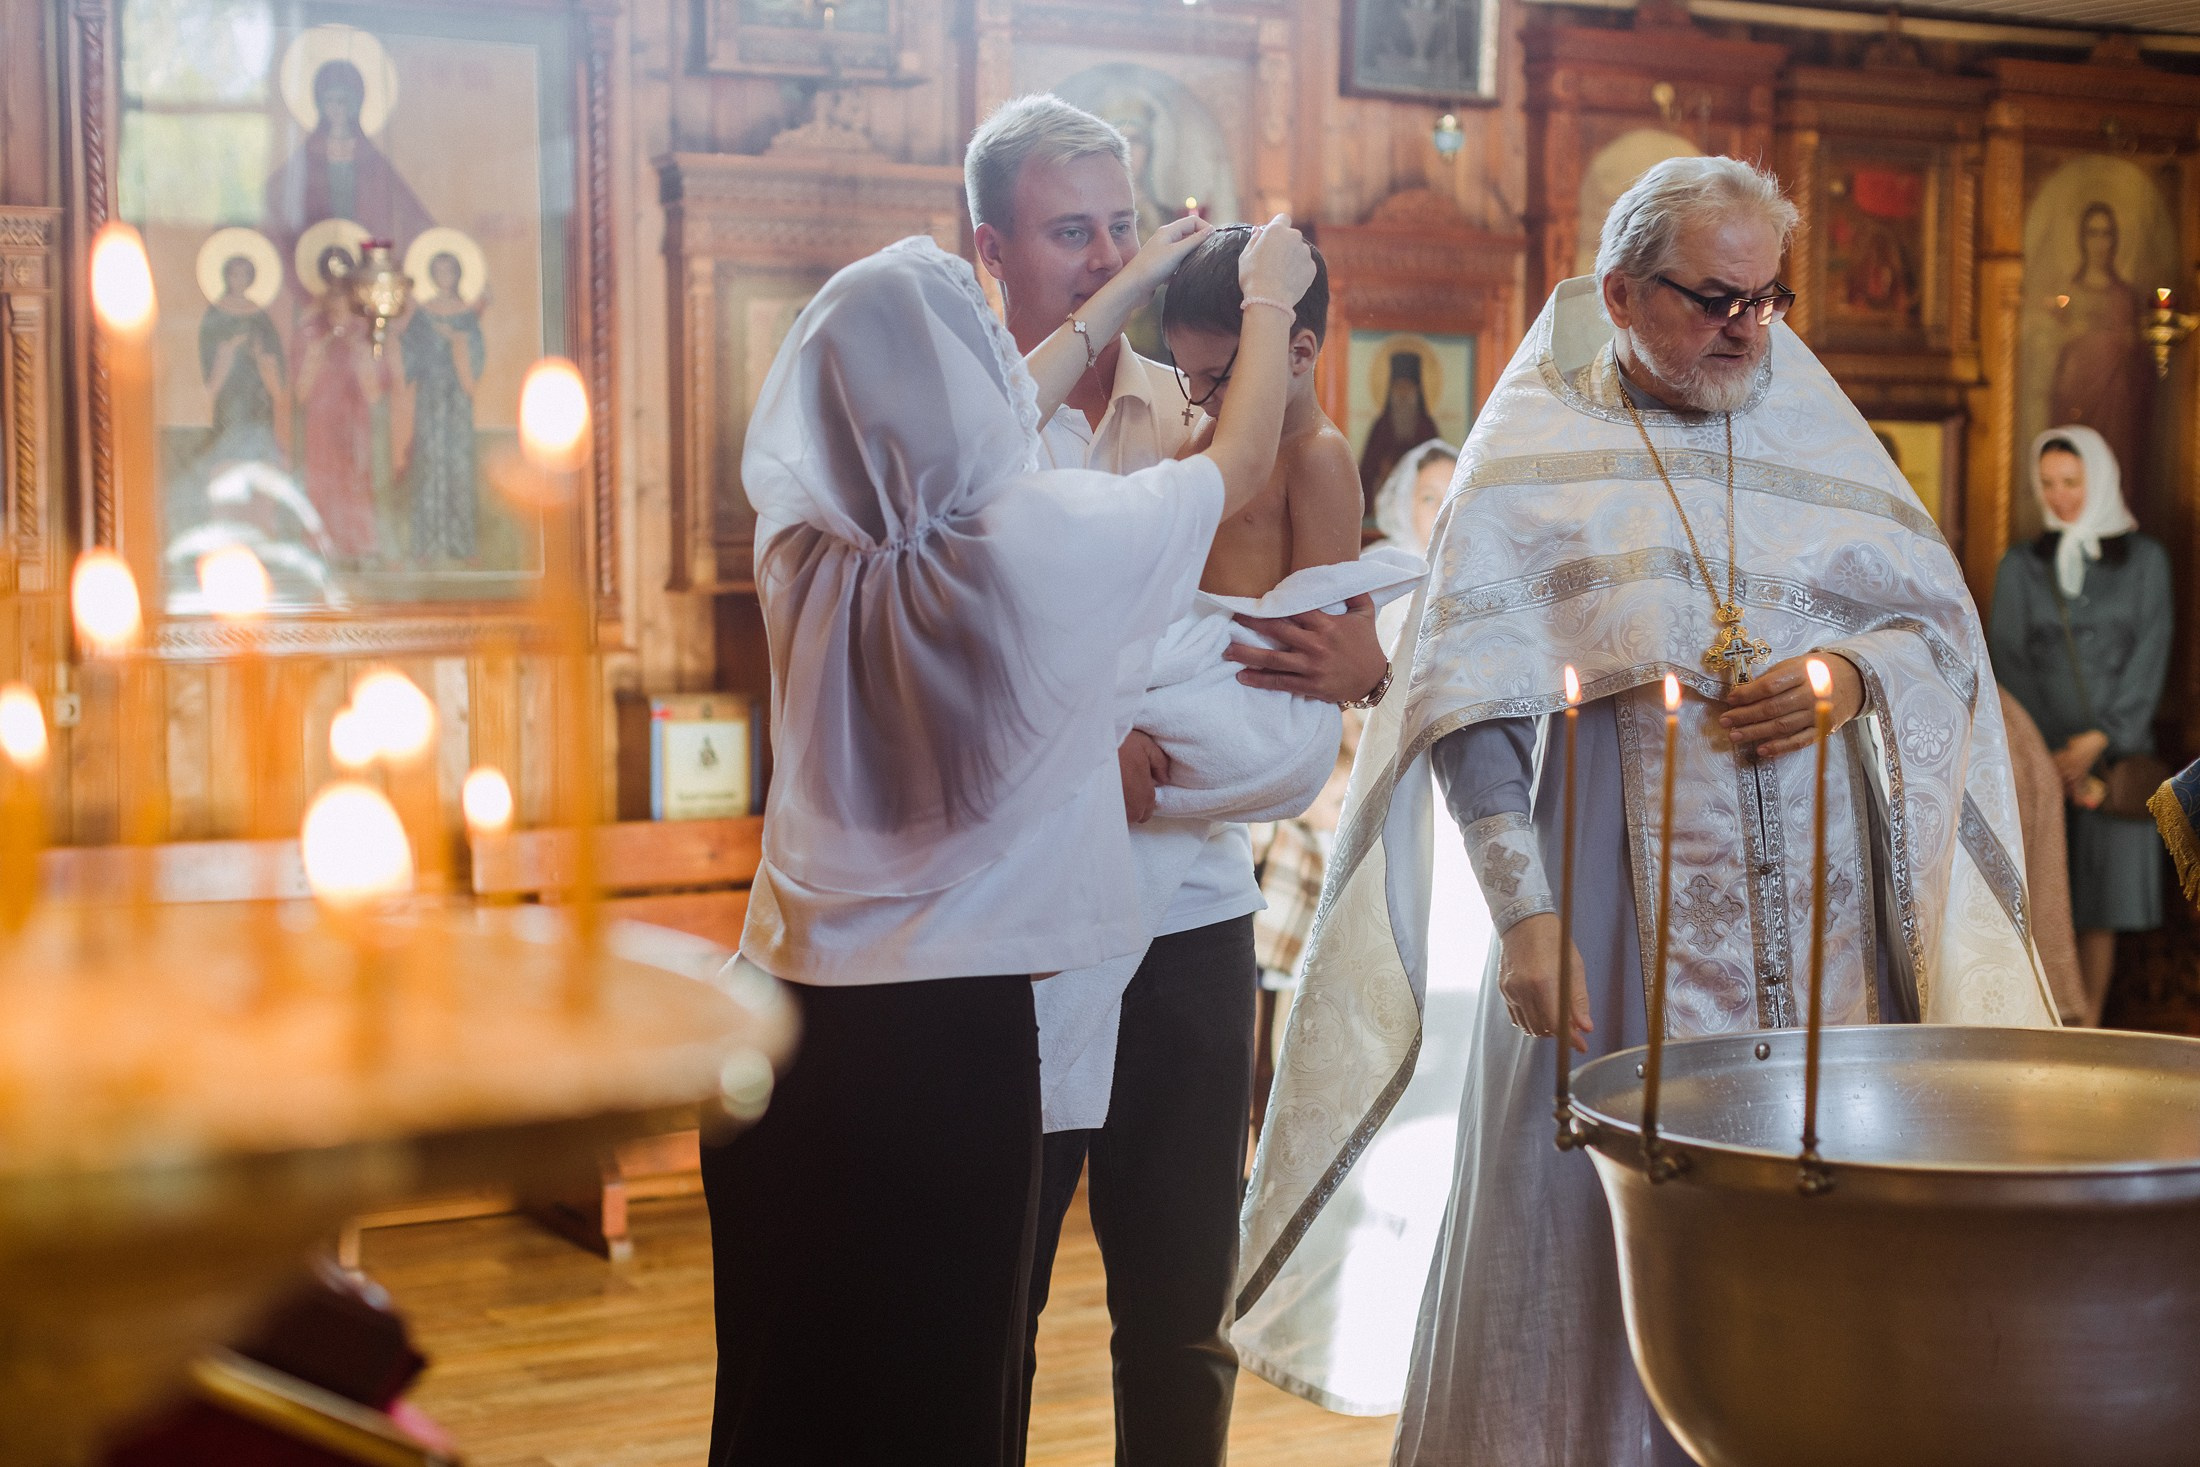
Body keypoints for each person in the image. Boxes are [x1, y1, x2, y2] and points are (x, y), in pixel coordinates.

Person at [1239, 155, 2056, 1466]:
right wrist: (1526, 914)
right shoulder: (1533, 445)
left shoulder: (1809, 421)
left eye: (1767, 298)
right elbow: (1466, 705)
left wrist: (1847, 677)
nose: (1747, 327)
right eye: (1713, 298)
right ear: (1620, 291)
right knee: (1586, 1224)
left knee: (1812, 1229)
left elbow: (1941, 639)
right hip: (1610, 921)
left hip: (1824, 964)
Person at [704, 208, 1317, 1466]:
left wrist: (1130, 281)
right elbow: (1241, 461)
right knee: (943, 1384)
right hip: (942, 1029)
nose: (1000, 366)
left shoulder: (799, 533)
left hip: (776, 1019)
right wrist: (1268, 295)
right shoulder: (1020, 546)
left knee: (785, 1381)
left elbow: (942, 431)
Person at [962, 95, 1393, 1467]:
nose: (1100, 258)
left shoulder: (1199, 407)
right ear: (994, 246)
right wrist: (1090, 749)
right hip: (1017, 928)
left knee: (1180, 1307)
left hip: (1194, 922)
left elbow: (1317, 605)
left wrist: (1362, 658)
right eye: (1065, 229)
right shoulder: (971, 419)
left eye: (1118, 227)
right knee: (992, 1298)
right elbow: (941, 655)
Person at [1232, 433, 1495, 1420]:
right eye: (1426, 498)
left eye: (1450, 495)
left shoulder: (1468, 587)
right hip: (1342, 825)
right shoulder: (1384, 587)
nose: (1438, 512)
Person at [1989, 426, 2171, 1024]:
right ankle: (2047, 1021)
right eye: (2047, 484)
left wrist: (2101, 738)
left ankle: (2088, 1022)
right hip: (2040, 760)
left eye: (2071, 482)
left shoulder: (2146, 562)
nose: (2060, 496)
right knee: (2046, 894)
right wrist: (2049, 753)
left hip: (2115, 760)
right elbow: (2007, 658)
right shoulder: (2020, 565)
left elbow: (2151, 652)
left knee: (2103, 902)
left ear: (2100, 480)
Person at [1161, 225, 1362, 596]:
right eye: (1187, 375)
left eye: (1218, 377)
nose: (1198, 397)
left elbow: (1320, 615)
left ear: (1298, 353)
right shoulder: (1212, 430)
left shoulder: (1318, 455)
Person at [399, 251, 487, 560]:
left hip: (457, 400)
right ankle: (426, 546)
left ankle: (461, 545)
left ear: (458, 274)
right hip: (430, 396)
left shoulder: (466, 315)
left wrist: (458, 341)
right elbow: (409, 349)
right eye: (438, 270)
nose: (443, 276)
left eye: (449, 270)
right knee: (429, 462)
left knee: (458, 466)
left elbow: (476, 355)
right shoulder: (423, 314)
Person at [1355, 352, 1439, 521]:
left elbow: (1436, 471)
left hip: (1417, 507)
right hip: (1383, 509)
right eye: (1398, 387)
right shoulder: (1381, 427)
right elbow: (1366, 475)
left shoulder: (1426, 427)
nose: (1402, 394)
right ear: (1391, 390)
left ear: (1417, 391)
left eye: (1408, 387)